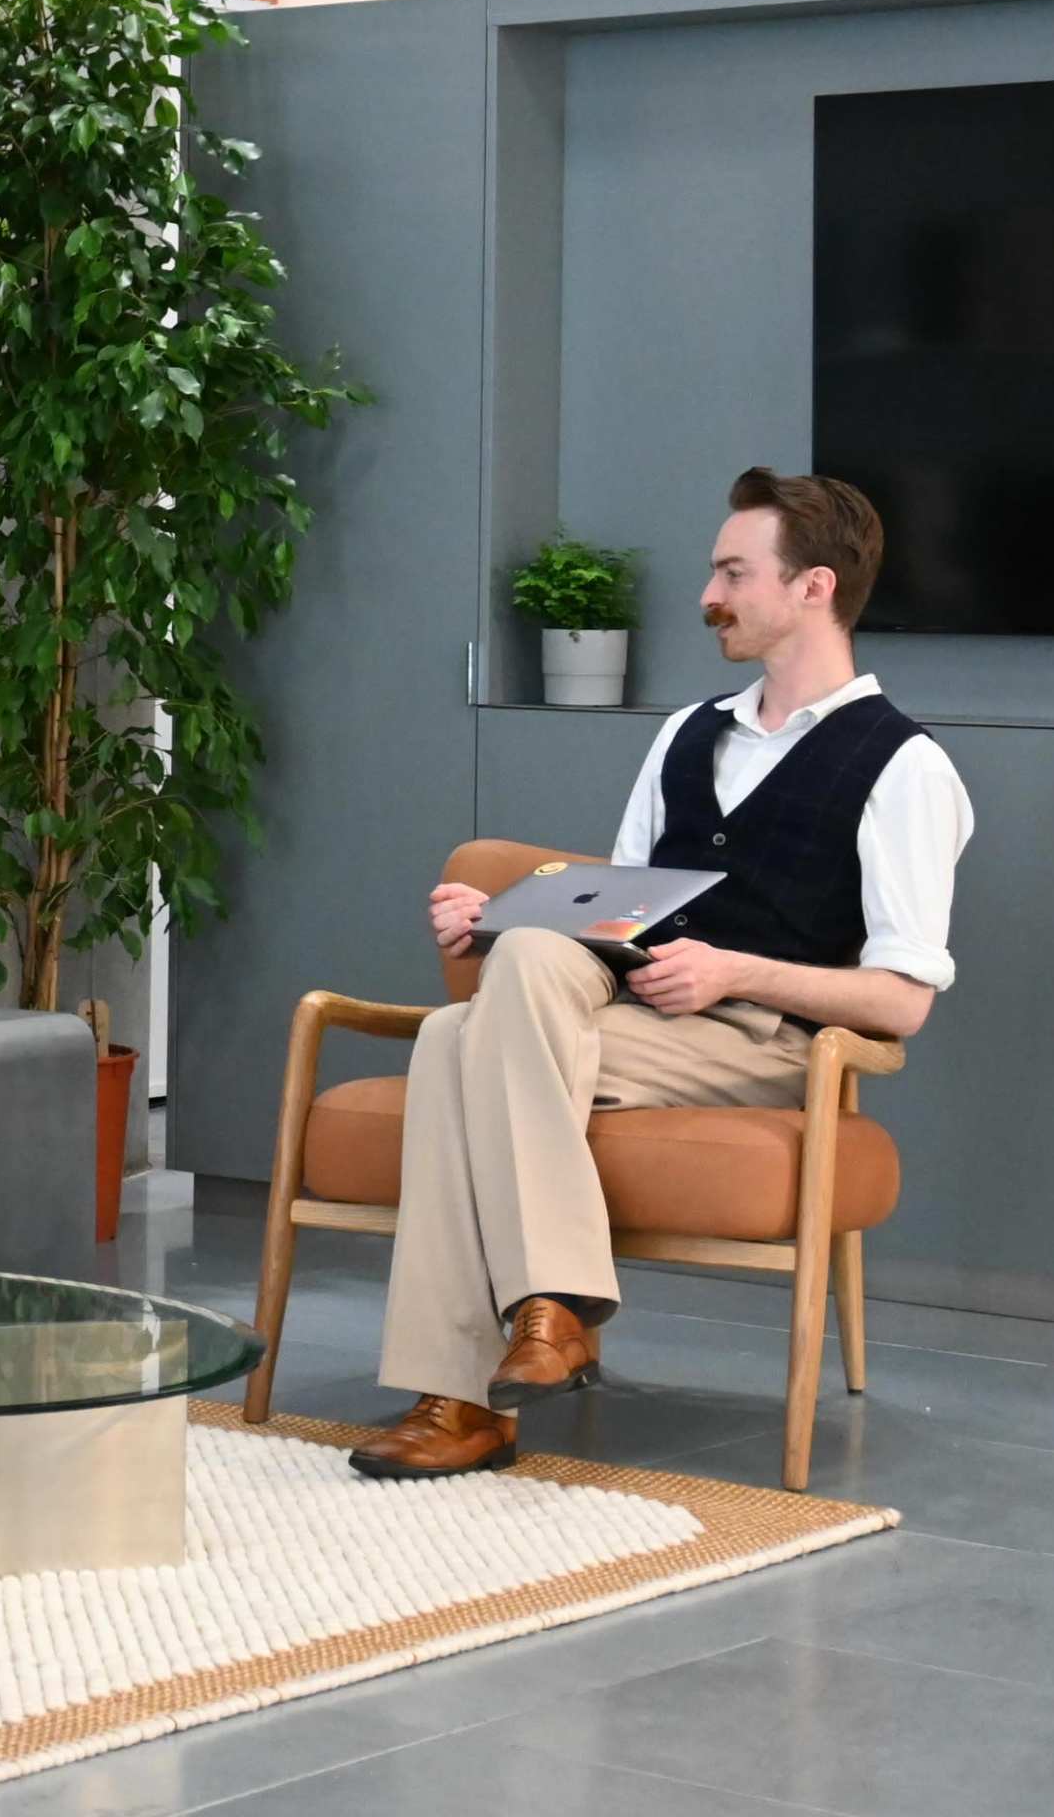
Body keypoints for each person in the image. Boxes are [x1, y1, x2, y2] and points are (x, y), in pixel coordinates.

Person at [353, 468, 974, 1479]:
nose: (707, 594)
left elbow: (902, 999)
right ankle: (543, 1318)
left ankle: (463, 1394)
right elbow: (614, 921)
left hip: (769, 1047)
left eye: (733, 571)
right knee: (475, 1009)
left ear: (813, 588)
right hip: (634, 1022)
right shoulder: (687, 735)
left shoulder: (902, 766)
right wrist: (499, 923)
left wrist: (737, 968)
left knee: (453, 1041)